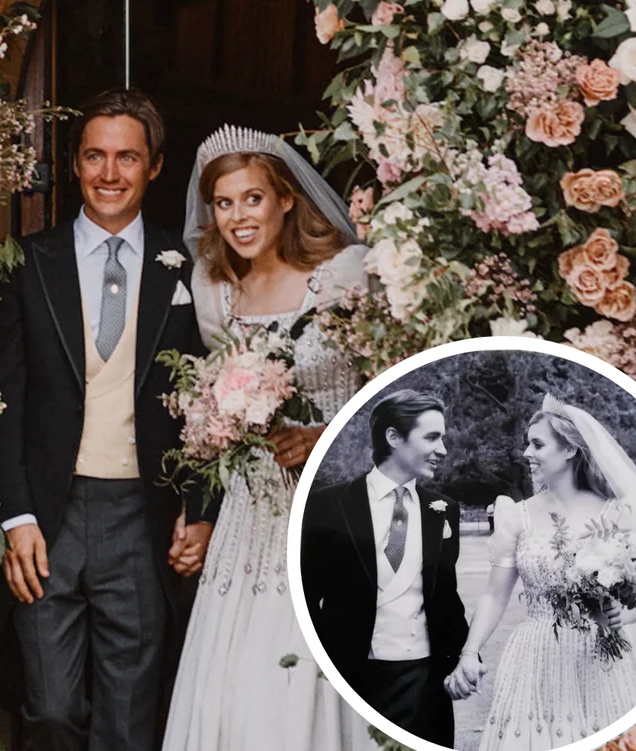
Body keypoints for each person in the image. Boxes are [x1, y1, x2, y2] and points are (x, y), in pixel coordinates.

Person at [0, 88, 216, 751]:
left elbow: (214, 407)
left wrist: (198, 507)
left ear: (156, 167)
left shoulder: (192, 268)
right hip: (50, 517)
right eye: (94, 157)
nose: (110, 174)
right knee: (50, 707)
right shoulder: (28, 263)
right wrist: (16, 516)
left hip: (142, 518)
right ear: (75, 163)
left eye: (127, 158)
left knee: (129, 716)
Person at [161, 125, 372, 750]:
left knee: (313, 669)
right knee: (237, 683)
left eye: (252, 199)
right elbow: (212, 412)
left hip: (335, 504)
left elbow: (404, 393)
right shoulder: (216, 292)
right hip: (250, 515)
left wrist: (329, 434)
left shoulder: (345, 277)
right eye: (223, 203)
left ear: (285, 197)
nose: (237, 217)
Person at [450, 394, 636, 750]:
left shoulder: (617, 514)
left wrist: (619, 613)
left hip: (601, 662)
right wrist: (469, 653)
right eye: (526, 444)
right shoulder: (517, 516)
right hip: (534, 658)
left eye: (537, 444)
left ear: (569, 450)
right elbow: (494, 594)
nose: (526, 454)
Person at [302, 389, 471, 748]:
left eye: (443, 437)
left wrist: (465, 657)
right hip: (354, 679)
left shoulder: (444, 508)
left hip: (425, 682)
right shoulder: (326, 505)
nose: (443, 449)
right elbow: (305, 595)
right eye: (432, 437)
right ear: (393, 437)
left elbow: (445, 595)